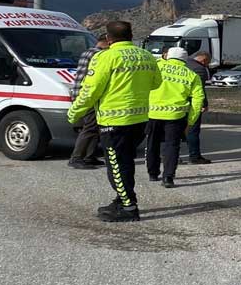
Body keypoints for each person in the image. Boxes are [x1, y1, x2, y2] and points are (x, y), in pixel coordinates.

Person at [67, 21, 161, 222]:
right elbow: (156, 83)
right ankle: (123, 199)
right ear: (130, 35)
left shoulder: (105, 57)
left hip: (114, 121)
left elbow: (91, 90)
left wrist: (74, 113)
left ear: (108, 39)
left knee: (116, 166)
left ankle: (128, 207)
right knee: (125, 162)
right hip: (140, 120)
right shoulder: (146, 56)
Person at [145, 47, 205, 188]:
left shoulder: (156, 67)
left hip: (152, 114)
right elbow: (198, 100)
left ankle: (153, 173)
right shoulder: (191, 75)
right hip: (176, 116)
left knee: (152, 143)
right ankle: (168, 177)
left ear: (167, 56)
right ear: (185, 59)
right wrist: (191, 121)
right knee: (172, 146)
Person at [67, 34, 111, 169]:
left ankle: (89, 157)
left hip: (79, 93)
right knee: (90, 127)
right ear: (107, 42)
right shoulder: (99, 55)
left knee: (94, 127)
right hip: (88, 95)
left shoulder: (88, 52)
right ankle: (76, 158)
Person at [184, 51, 212, 164]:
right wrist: (204, 104)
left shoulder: (184, 64)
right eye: (207, 63)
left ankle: (174, 156)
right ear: (204, 60)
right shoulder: (199, 69)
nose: (207, 65)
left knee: (176, 131)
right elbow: (200, 90)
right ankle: (195, 156)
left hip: (177, 102)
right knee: (193, 130)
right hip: (192, 104)